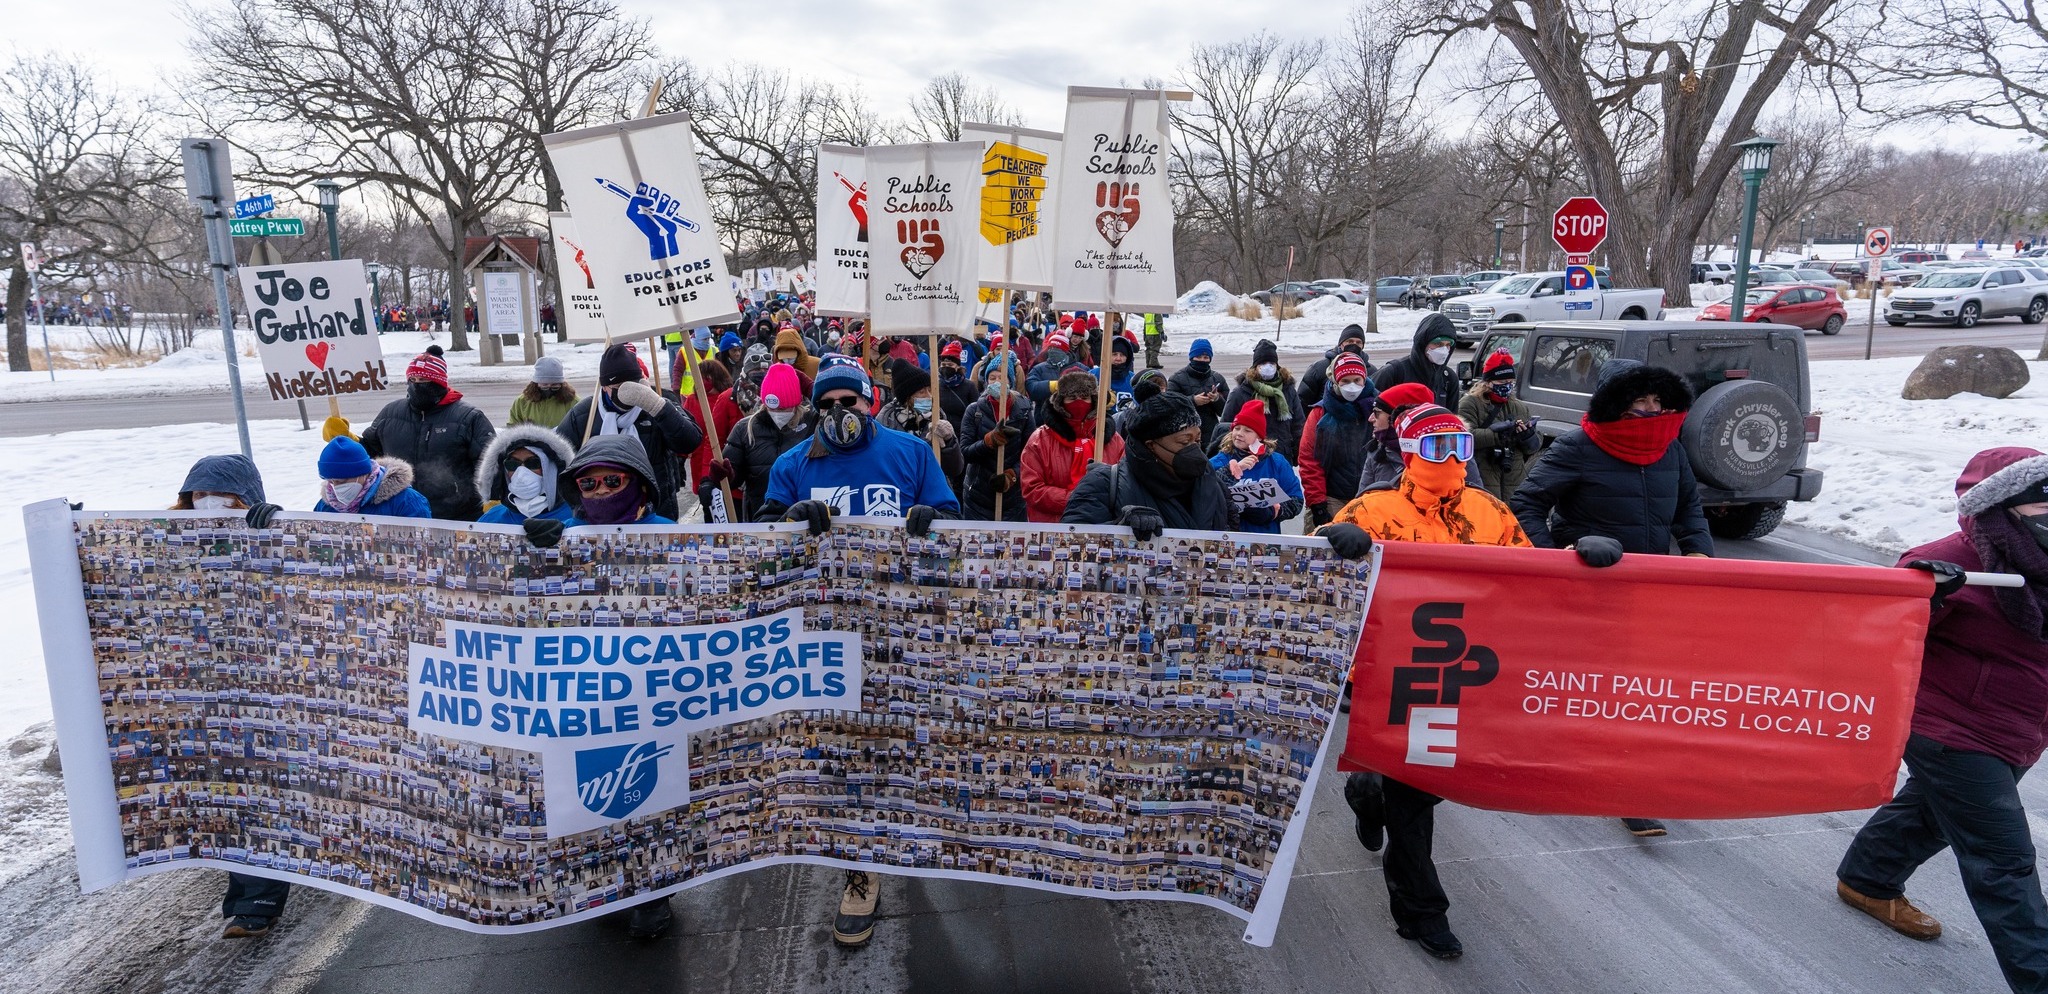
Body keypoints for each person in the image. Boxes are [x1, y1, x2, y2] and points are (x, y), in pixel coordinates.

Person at [1317, 403, 1542, 962]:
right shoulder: (1374, 508)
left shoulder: (1490, 512)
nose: (1451, 460)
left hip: (1462, 672)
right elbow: (1314, 565)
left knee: (1413, 785)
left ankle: (1367, 796)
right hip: (1390, 672)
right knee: (1411, 794)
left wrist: (1581, 560)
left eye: (1461, 448)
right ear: (1410, 454)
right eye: (1437, 448)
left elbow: (1533, 578)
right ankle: (1422, 913)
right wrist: (1335, 541)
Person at [749, 357, 956, 948]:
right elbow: (762, 539)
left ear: (871, 401)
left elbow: (952, 518)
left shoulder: (911, 454)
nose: (840, 413)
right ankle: (859, 868)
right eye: (828, 403)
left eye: (851, 401)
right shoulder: (794, 463)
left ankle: (916, 833)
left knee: (902, 741)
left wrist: (933, 518)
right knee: (846, 750)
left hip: (901, 628)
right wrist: (786, 520)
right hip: (828, 632)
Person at [1835, 448, 2048, 993]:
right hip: (1951, 727)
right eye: (2043, 501)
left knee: (1931, 808)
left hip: (2020, 723)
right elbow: (1869, 635)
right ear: (2003, 505)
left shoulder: (2040, 561)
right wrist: (1925, 598)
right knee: (2004, 861)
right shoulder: (1947, 560)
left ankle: (1867, 879)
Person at [1510, 359, 1708, 838]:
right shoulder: (1579, 447)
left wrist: (1701, 556)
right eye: (1638, 402)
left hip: (1647, 591)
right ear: (1615, 405)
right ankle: (1559, 758)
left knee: (1636, 688)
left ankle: (1628, 789)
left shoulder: (1671, 450)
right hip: (1588, 590)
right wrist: (1563, 556)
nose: (1649, 410)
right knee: (1585, 686)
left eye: (1656, 402)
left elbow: (1689, 511)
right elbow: (1525, 505)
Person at [170, 455, 293, 939]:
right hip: (205, 693)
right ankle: (247, 895)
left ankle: (257, 903)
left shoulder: (268, 532)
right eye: (198, 495)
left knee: (260, 796)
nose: (208, 505)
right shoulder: (172, 539)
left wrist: (279, 528)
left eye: (222, 496)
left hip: (264, 692)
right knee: (227, 798)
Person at [556, 342, 704, 522]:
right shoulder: (584, 414)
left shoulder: (656, 402)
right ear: (604, 387)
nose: (629, 394)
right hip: (599, 512)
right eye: (619, 388)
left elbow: (690, 442)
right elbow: (559, 458)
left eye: (633, 386)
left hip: (654, 510)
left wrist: (657, 406)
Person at [1062, 391, 1234, 537]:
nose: (1194, 449)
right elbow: (1071, 543)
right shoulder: (1102, 485)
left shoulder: (1214, 483)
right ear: (1151, 445)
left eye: (1197, 440)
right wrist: (1121, 527)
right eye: (1184, 442)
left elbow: (1232, 534)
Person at [356, 346, 496, 520]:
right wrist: (349, 442)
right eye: (412, 379)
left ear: (438, 382)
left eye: (422, 379)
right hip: (402, 512)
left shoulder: (468, 417)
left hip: (456, 516)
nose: (416, 385)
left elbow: (490, 462)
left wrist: (493, 498)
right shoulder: (390, 413)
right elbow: (369, 451)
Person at [1022, 369, 1125, 523]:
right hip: (1054, 526)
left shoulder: (1113, 440)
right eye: (1071, 398)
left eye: (1084, 397)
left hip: (1102, 525)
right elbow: (1032, 489)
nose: (1079, 403)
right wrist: (1076, 499)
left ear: (1094, 400)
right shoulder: (1040, 440)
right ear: (1060, 401)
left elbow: (1124, 483)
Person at [718, 363, 814, 524]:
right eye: (773, 408)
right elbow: (731, 481)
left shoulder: (812, 423)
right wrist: (724, 476)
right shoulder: (745, 429)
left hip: (803, 517)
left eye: (784, 409)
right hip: (760, 517)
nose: (778, 414)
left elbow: (832, 413)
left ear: (796, 404)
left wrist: (812, 389)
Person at [1298, 352, 1379, 527]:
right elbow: (1309, 460)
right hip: (1332, 497)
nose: (1352, 386)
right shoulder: (1320, 413)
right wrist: (1318, 505)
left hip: (1371, 498)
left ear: (1364, 379)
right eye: (1345, 381)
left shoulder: (1378, 409)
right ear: (1335, 381)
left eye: (1357, 380)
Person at [1458, 349, 1541, 503]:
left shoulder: (1519, 407)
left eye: (1511, 382)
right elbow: (1463, 438)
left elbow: (1533, 448)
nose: (1507, 386)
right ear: (1488, 382)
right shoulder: (1470, 403)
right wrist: (1495, 436)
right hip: (1483, 474)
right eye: (1502, 383)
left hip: (1514, 480)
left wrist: (1528, 436)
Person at [1209, 400, 1302, 534]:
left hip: (1265, 537)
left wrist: (1273, 512)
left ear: (1259, 437)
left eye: (1247, 430)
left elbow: (1296, 500)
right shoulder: (1219, 461)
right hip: (1228, 537)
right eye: (1237, 428)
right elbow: (1206, 494)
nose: (1240, 433)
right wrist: (1230, 472)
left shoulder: (1277, 462)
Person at [958, 360, 1033, 522]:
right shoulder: (974, 411)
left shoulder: (1024, 411)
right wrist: (988, 442)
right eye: (992, 378)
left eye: (1001, 377)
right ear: (986, 382)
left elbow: (1030, 456)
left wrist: (1012, 476)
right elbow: (965, 453)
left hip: (1013, 500)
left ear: (1010, 382)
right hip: (978, 497)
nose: (997, 382)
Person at [876, 363, 963, 488]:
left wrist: (949, 442)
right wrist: (925, 444)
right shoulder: (886, 420)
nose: (929, 396)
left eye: (930, 390)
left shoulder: (937, 415)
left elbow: (955, 469)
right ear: (907, 397)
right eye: (921, 392)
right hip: (900, 489)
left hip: (934, 488)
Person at [560, 435, 678, 526]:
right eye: (588, 483)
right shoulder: (561, 534)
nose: (601, 491)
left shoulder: (670, 532)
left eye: (613, 480)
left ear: (638, 483)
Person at [475, 425, 578, 528]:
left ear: (551, 468)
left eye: (533, 463)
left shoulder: (575, 517)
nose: (522, 472)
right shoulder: (492, 519)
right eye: (512, 464)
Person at [309, 436, 433, 518]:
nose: (336, 488)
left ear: (362, 473)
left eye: (342, 481)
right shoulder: (326, 505)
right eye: (331, 481)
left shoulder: (407, 501)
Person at [1221, 340, 1303, 462]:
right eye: (1263, 363)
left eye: (1271, 363)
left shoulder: (1288, 391)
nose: (1268, 367)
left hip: (1282, 457)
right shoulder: (1241, 392)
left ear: (1277, 365)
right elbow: (1226, 427)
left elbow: (1298, 425)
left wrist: (1298, 454)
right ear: (1255, 367)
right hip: (1248, 458)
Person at [1356, 382, 1437, 494]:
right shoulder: (1377, 451)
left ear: (1396, 418)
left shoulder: (1443, 454)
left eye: (1376, 412)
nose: (1370, 418)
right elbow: (1360, 503)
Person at [1371, 314, 1461, 411]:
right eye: (1438, 344)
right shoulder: (1394, 372)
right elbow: (1371, 410)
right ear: (1423, 343)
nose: (1443, 349)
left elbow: (1451, 418)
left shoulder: (1449, 378)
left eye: (1448, 345)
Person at [1167, 339, 1229, 444]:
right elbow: (1169, 405)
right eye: (1198, 357)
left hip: (1211, 433)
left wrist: (1217, 399)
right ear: (1192, 357)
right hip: (1184, 433)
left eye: (1206, 357)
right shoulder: (1177, 378)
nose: (1202, 360)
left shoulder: (1218, 379)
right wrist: (1192, 401)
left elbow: (1226, 411)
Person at [1298, 325, 1367, 414]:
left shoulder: (1370, 370)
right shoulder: (1319, 368)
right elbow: (1303, 402)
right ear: (1341, 343)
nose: (1354, 345)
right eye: (1349, 341)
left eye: (1358, 342)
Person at [506, 356, 576, 428]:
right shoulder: (522, 402)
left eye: (554, 385)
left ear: (561, 384)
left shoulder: (573, 402)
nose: (549, 388)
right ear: (536, 383)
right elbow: (513, 427)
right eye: (544, 384)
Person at [1025, 331, 1077, 405]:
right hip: (1043, 413)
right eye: (1051, 348)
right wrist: (1051, 386)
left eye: (1057, 348)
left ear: (1065, 351)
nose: (1053, 351)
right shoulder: (1039, 368)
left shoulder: (1078, 368)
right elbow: (1031, 388)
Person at [935, 342, 977, 425]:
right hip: (941, 430)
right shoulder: (935, 385)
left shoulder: (969, 386)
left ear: (958, 367)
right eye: (943, 364)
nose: (946, 367)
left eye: (950, 364)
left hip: (962, 429)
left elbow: (975, 411)